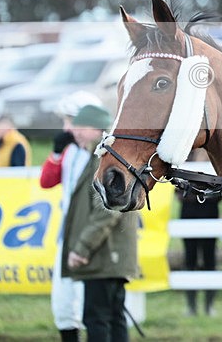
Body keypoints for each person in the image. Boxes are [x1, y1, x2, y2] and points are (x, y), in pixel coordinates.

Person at [62, 104, 139, 342]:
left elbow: (107, 211)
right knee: (114, 318)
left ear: (96, 129)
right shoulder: (103, 156)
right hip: (110, 255)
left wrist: (82, 247)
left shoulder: (103, 160)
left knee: (97, 319)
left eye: (81, 127)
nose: (75, 131)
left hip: (104, 255)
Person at [39, 91, 103, 342]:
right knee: (64, 301)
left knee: (90, 305)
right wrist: (56, 154)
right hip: (66, 234)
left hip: (90, 235)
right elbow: (46, 181)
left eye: (70, 121)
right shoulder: (69, 151)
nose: (66, 128)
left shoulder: (98, 154)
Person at [177, 190, 220, 316]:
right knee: (190, 259)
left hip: (209, 210)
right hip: (188, 212)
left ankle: (209, 305)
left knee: (210, 259)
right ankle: (191, 306)